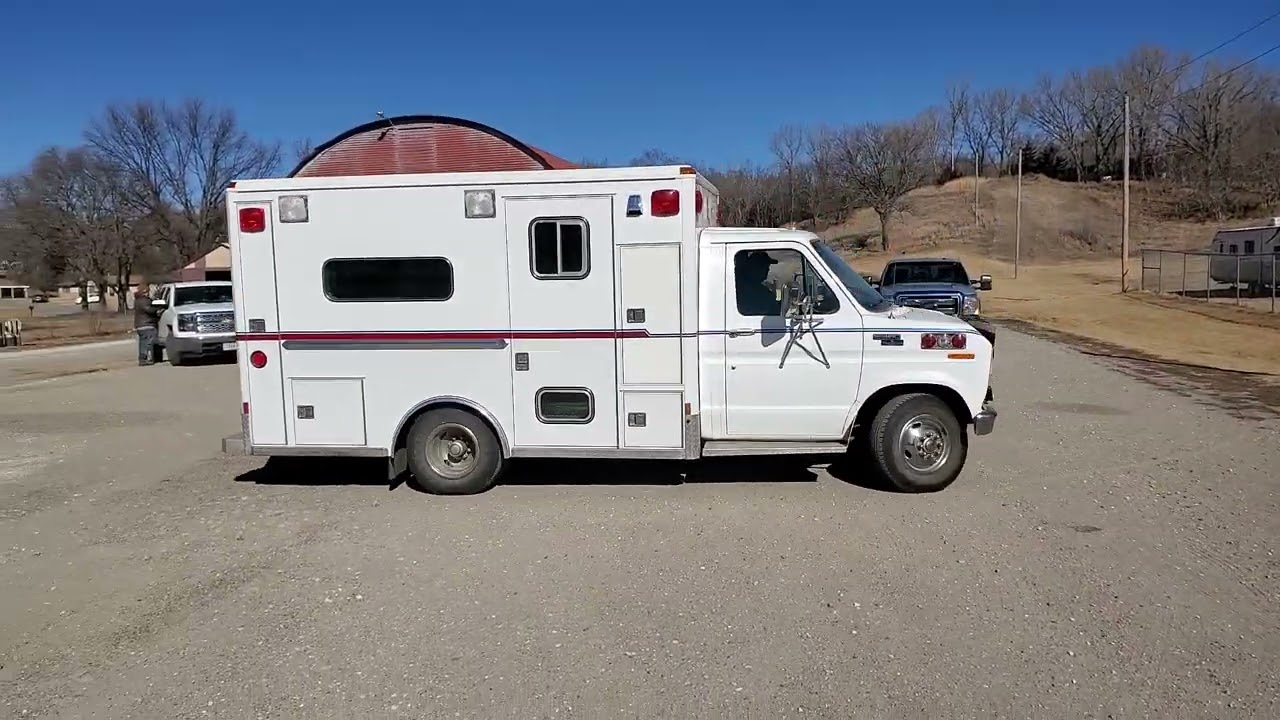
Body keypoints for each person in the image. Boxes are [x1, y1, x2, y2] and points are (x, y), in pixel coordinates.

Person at [734, 250, 781, 316]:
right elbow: (774, 312)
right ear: (756, 268)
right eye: (765, 266)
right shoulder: (759, 293)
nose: (768, 269)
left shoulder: (742, 285)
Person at [133, 283, 160, 366]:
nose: (149, 293)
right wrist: (158, 309)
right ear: (144, 291)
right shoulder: (144, 300)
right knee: (149, 343)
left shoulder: (137, 300)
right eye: (148, 291)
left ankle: (142, 358)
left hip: (140, 325)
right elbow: (149, 310)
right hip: (147, 324)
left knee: (143, 343)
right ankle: (147, 358)